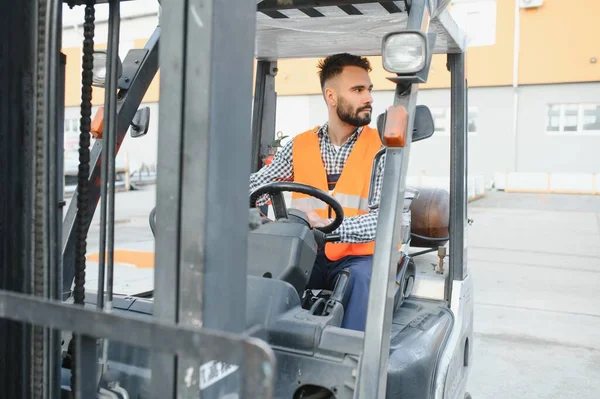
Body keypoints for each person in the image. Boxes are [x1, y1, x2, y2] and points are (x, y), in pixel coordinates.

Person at [249, 53, 404, 332]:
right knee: (266, 271)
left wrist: (333, 227)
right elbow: (259, 186)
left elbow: (387, 218)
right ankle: (261, 342)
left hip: (361, 256)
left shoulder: (383, 148)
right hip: (309, 250)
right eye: (358, 90)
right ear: (331, 97)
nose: (369, 98)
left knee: (360, 281)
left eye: (369, 89)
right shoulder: (300, 145)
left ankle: (352, 358)